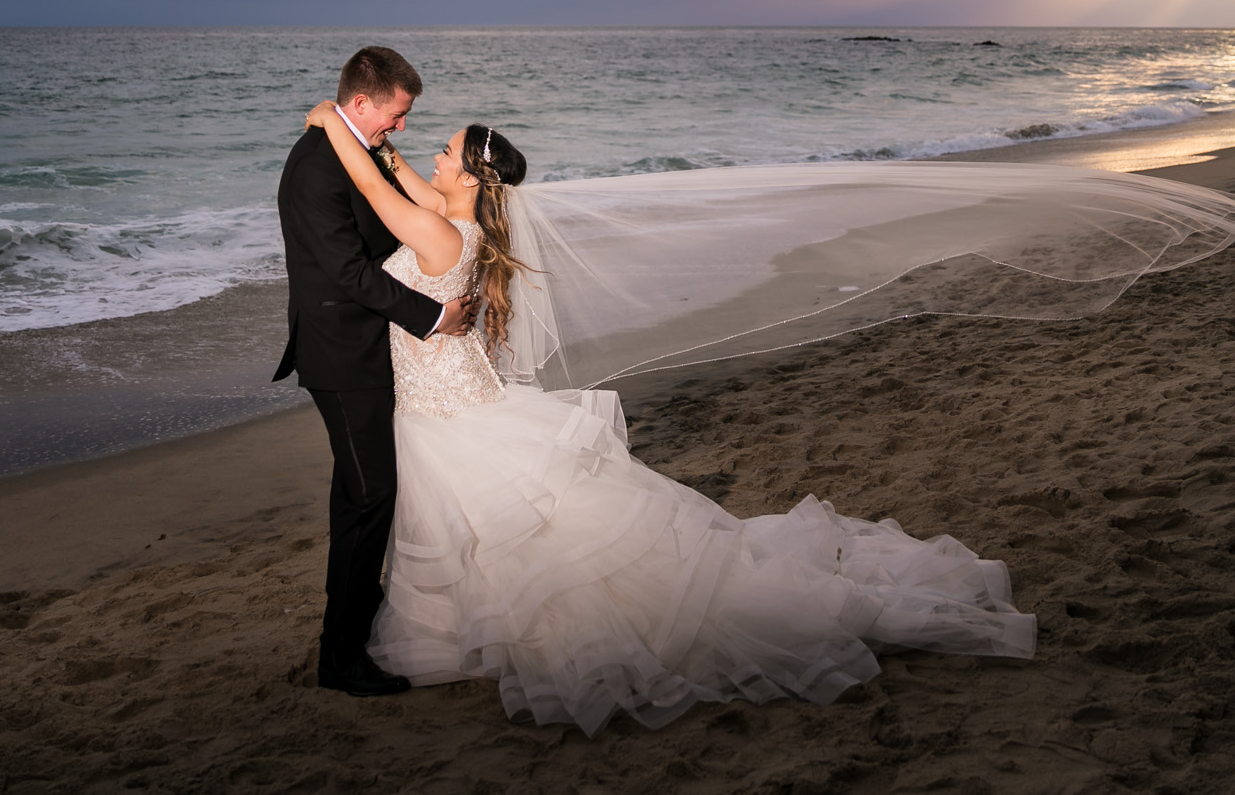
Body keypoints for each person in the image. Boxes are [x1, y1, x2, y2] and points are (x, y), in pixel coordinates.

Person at [302, 100, 1039, 736]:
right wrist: (385, 140)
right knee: (511, 537)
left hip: (450, 417)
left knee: (525, 542)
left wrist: (332, 122)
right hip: (451, 404)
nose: (430, 152)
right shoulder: (455, 222)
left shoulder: (440, 232)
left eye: (445, 148)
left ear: (467, 175)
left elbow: (370, 182)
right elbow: (394, 177)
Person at [273, 47, 476, 699]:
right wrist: (433, 317)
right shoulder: (316, 165)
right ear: (362, 103)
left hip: (367, 350)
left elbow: (390, 230)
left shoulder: (352, 151)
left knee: (358, 492)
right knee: (371, 495)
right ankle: (341, 655)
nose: (403, 126)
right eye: (397, 112)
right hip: (342, 355)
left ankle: (354, 613)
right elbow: (346, 272)